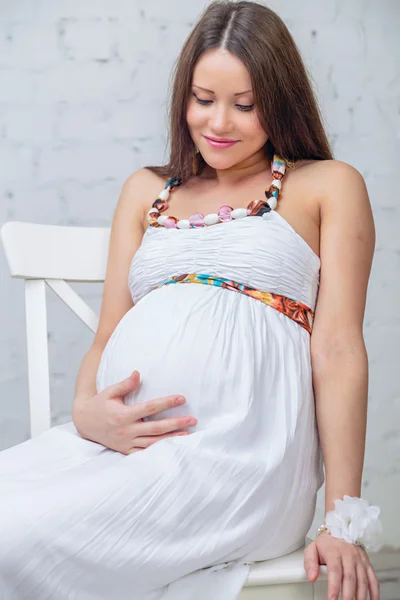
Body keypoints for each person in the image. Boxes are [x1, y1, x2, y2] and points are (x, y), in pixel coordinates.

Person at [0, 1, 382, 599]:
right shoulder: (146, 190)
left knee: (11, 537)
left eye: (246, 104)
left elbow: (336, 350)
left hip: (240, 463)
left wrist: (342, 518)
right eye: (203, 99)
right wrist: (85, 412)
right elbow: (109, 333)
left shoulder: (326, 186)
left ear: (280, 101)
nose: (219, 122)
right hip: (118, 449)